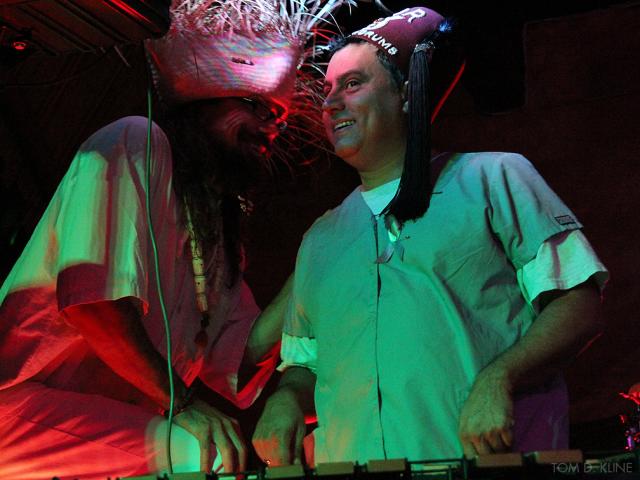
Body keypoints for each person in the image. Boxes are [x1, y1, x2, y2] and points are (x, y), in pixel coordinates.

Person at [0, 1, 350, 479]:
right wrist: (182, 404)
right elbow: (94, 305)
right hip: (18, 410)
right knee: (208, 456)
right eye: (256, 107)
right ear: (203, 106)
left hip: (97, 428)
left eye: (279, 117)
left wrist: (316, 254)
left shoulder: (216, 231)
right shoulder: (136, 141)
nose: (271, 127)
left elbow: (241, 360)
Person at [252, 6, 609, 466]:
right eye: (328, 90)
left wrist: (499, 376)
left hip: (486, 466)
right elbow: (305, 363)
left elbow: (578, 305)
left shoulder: (495, 178)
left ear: (406, 93)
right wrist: (286, 398)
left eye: (353, 84)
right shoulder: (320, 239)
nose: (331, 103)